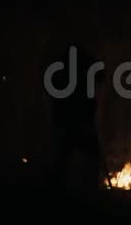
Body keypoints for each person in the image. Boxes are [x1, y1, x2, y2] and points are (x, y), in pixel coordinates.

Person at [47, 43, 103, 194]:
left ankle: (59, 187)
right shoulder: (81, 65)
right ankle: (89, 189)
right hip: (77, 118)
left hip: (67, 118)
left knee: (64, 156)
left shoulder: (60, 65)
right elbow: (101, 75)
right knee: (86, 154)